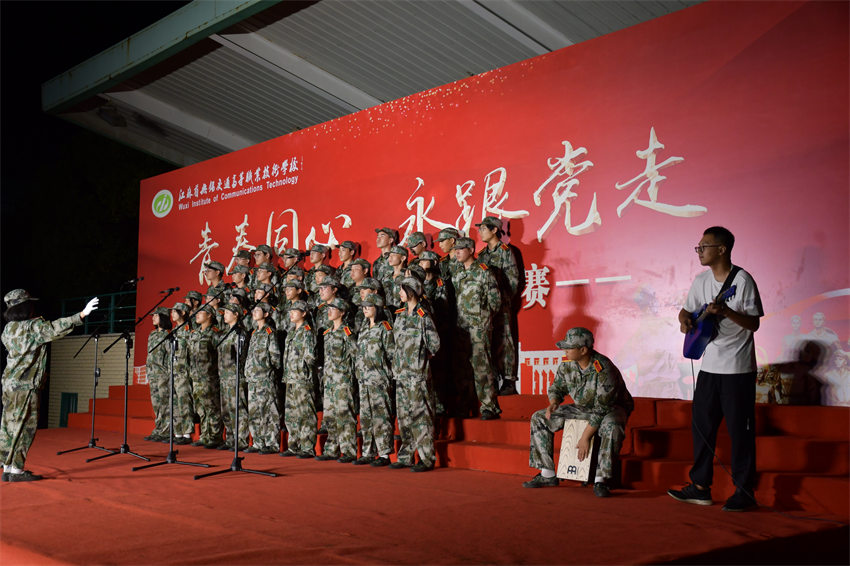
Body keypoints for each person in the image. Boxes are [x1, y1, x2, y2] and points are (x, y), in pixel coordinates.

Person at [668, 226, 763, 512]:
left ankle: (744, 492)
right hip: (709, 366)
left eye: (704, 246)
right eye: (698, 247)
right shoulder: (701, 280)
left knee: (739, 432)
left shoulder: (742, 280)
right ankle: (700, 487)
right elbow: (686, 310)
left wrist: (727, 311)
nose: (699, 251)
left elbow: (754, 323)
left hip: (737, 368)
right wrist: (685, 321)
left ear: (721, 249)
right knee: (702, 427)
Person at [522, 328, 633, 497]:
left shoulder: (603, 368)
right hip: (583, 408)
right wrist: (554, 402)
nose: (565, 350)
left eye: (569, 347)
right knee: (539, 418)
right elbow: (557, 387)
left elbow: (602, 408)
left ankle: (601, 479)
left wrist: (585, 437)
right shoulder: (567, 365)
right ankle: (547, 474)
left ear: (583, 350)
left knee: (612, 425)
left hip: (611, 408)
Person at [1, 290, 98, 481]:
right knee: (25, 427)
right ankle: (16, 470)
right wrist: (81, 315)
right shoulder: (33, 327)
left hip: (9, 383)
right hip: (26, 385)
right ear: (25, 306)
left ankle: (7, 466)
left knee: (8, 425)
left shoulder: (8, 329)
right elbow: (55, 328)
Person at [391, 278, 441, 472]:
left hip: (417, 375)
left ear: (411, 291)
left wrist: (420, 359)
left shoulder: (423, 316)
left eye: (402, 289)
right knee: (404, 417)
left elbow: (434, 344)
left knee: (421, 416)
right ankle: (406, 456)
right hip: (401, 374)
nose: (399, 293)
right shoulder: (400, 315)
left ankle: (426, 458)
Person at [452, 237, 502, 419]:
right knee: (462, 369)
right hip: (462, 329)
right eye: (456, 249)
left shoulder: (483, 272)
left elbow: (495, 301)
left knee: (482, 367)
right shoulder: (457, 273)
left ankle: (489, 406)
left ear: (471, 250)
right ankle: (465, 405)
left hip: (479, 328)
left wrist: (483, 319)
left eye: (461, 248)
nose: (457, 252)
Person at [476, 216, 520, 396]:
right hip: (485, 307)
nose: (480, 232)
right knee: (489, 341)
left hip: (502, 305)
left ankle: (509, 380)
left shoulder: (505, 251)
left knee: (505, 340)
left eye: (483, 228)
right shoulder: (481, 255)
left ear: (494, 230)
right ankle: (493, 378)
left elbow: (513, 280)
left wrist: (503, 301)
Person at [354, 294, 396, 466]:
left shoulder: (384, 328)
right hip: (364, 380)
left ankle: (384, 453)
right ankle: (368, 452)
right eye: (363, 307)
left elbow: (392, 354)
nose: (365, 309)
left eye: (368, 306)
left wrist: (389, 376)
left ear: (377, 308)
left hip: (379, 379)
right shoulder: (364, 329)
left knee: (381, 416)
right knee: (365, 417)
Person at [315, 298, 358, 463]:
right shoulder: (327, 333)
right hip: (329, 381)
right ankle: (331, 449)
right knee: (330, 417)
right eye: (329, 308)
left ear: (342, 312)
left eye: (333, 308)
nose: (329, 311)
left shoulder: (347, 332)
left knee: (344, 415)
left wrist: (352, 376)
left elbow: (356, 355)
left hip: (342, 380)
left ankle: (348, 450)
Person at [280, 300, 318, 458]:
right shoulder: (291, 332)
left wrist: (304, 370)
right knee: (291, 414)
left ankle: (307, 447)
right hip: (290, 377)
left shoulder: (307, 331)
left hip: (302, 378)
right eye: (290, 311)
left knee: (305, 413)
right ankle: (294, 445)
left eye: (295, 311)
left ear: (304, 313)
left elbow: (311, 357)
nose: (291, 313)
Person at [244, 302, 282, 454]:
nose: (254, 312)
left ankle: (272, 443)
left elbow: (275, 357)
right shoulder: (254, 332)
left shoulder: (269, 333)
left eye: (258, 310)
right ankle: (258, 442)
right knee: (254, 412)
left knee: (269, 411)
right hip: (253, 379)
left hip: (265, 378)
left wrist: (267, 369)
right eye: (253, 310)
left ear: (266, 314)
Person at [188, 305, 224, 448]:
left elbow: (220, 355)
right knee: (200, 408)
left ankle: (215, 436)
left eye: (201, 312)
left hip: (209, 377)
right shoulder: (195, 333)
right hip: (196, 377)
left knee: (212, 407)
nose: (197, 314)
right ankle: (204, 435)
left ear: (209, 315)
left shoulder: (215, 333)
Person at [216, 303, 250, 451]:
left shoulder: (240, 333)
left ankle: (240, 440)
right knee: (226, 410)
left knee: (238, 409)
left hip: (235, 376)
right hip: (224, 376)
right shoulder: (225, 333)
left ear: (236, 314)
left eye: (227, 312)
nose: (225, 315)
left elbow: (241, 356)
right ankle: (230, 439)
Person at [144, 307, 172, 442]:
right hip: (152, 373)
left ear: (163, 317)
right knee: (156, 404)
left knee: (164, 403)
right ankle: (158, 429)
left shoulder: (168, 335)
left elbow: (170, 355)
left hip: (162, 373)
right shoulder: (152, 334)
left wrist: (169, 372)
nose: (153, 318)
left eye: (156, 315)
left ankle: (165, 431)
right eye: (153, 315)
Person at [169, 302, 195, 444]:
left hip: (184, 372)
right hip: (173, 371)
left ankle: (187, 433)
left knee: (184, 402)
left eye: (175, 311)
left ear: (183, 313)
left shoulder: (189, 330)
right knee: (174, 403)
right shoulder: (174, 331)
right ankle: (178, 432)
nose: (172, 314)